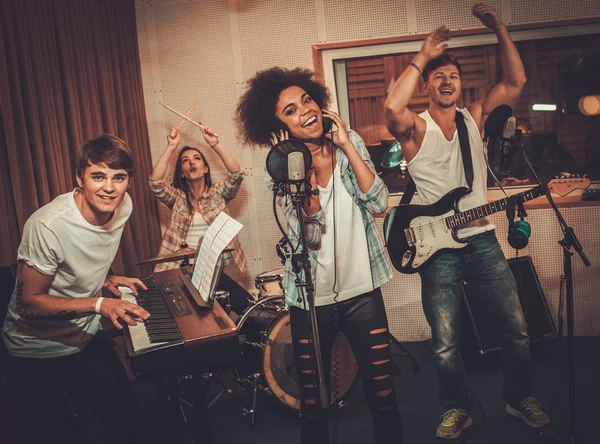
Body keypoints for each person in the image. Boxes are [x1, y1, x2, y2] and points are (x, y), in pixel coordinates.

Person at [384, 3, 550, 439]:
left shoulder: (475, 118)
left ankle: (518, 397)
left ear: (461, 84)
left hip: (482, 242)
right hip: (437, 250)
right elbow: (390, 106)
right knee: (445, 344)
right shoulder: (415, 129)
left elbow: (516, 81)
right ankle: (457, 408)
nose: (446, 81)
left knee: (516, 329)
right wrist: (423, 54)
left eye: (453, 76)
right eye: (437, 76)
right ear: (426, 85)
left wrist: (499, 26)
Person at [236, 67, 403, 444]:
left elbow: (378, 203)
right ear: (279, 127)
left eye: (306, 100)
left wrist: (346, 146)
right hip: (310, 301)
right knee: (313, 405)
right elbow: (308, 236)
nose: (305, 111)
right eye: (291, 111)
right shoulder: (278, 169)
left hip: (363, 292)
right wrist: (301, 173)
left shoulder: (352, 143)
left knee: (383, 395)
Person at [1, 134, 149, 444]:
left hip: (82, 336)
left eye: (118, 177)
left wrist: (106, 278)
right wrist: (99, 303)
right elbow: (29, 304)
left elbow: (86, 252)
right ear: (79, 178)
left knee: (129, 422)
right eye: (98, 176)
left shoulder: (124, 207)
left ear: (128, 181)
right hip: (35, 349)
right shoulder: (48, 226)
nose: (109, 187)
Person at [149, 123, 251, 317]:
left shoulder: (218, 194)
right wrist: (171, 146)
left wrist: (215, 144)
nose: (191, 163)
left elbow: (236, 174)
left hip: (211, 271)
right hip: (180, 272)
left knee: (249, 310)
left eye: (197, 159)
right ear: (181, 172)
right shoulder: (177, 198)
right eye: (185, 161)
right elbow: (155, 183)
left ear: (205, 168)